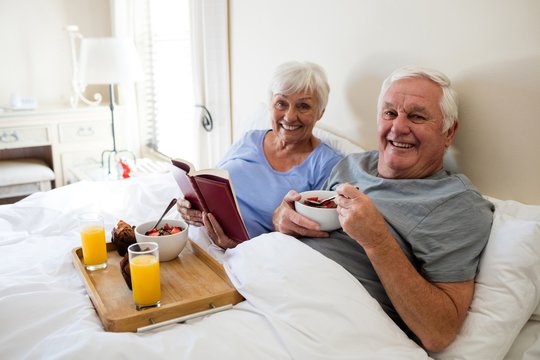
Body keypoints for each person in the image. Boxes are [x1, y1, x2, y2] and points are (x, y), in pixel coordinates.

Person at [272, 66, 494, 352]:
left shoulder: (458, 205)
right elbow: (300, 224)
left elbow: (439, 332)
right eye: (390, 113)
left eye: (416, 116)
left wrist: (377, 240)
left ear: (448, 132)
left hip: (326, 323)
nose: (398, 127)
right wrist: (282, 220)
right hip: (274, 282)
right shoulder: (351, 165)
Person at [177, 61, 343, 249]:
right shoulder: (251, 138)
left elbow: (308, 238)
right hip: (196, 235)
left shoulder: (327, 164)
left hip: (245, 253)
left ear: (320, 112)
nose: (289, 116)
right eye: (281, 103)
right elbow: (211, 181)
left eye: (303, 106)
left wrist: (237, 246)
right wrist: (190, 206)